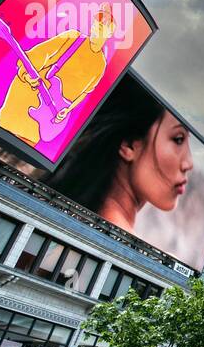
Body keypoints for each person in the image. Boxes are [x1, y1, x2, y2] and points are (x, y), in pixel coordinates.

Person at [44, 71, 192, 234]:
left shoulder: (66, 216)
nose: (189, 163)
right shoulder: (130, 250)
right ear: (129, 145)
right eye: (178, 139)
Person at [0, 4, 117, 147]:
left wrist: (66, 111)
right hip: (21, 106)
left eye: (104, 25)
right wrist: (27, 76)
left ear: (110, 32)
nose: (98, 26)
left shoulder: (100, 65)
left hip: (41, 125)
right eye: (97, 21)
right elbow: (37, 55)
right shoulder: (73, 38)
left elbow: (84, 93)